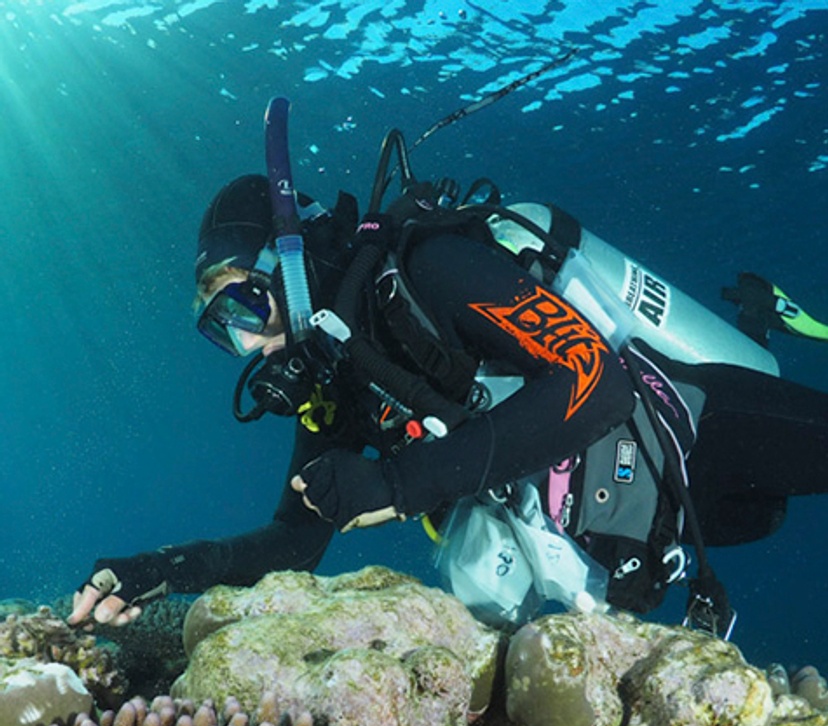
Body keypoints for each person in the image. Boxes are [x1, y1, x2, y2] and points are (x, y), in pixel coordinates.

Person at [68, 101, 828, 638]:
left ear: (291, 260)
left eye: (244, 305)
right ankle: (759, 316)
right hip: (668, 525)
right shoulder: (335, 393)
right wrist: (162, 569)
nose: (247, 345)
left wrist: (400, 485)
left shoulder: (429, 270)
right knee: (767, 517)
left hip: (699, 426)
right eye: (219, 330)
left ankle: (761, 320)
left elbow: (598, 383)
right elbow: (294, 543)